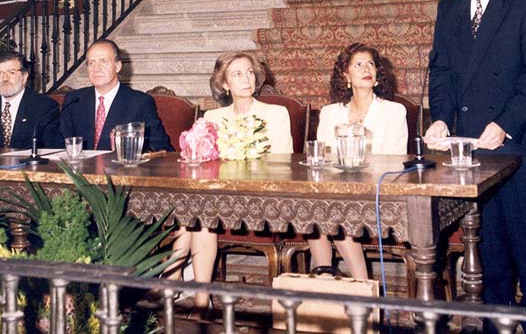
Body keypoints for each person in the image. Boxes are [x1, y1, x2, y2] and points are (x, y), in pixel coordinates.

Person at [424, 0, 526, 334]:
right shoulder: (449, 8)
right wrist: (441, 117)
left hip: (519, 144)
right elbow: (442, 71)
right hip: (473, 147)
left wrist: (506, 124)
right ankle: (495, 322)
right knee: (489, 244)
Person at [166, 52, 292, 314]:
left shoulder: (277, 113)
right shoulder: (213, 118)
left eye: (249, 72)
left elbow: (283, 164)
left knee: (199, 211)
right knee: (201, 212)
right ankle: (202, 299)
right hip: (219, 196)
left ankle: (172, 274)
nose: (246, 78)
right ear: (224, 84)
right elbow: (204, 163)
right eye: (237, 74)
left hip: (262, 194)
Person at [307, 43, 408, 279]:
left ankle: (364, 290)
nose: (367, 69)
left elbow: (395, 162)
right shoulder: (330, 113)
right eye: (358, 64)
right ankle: (325, 283)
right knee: (314, 210)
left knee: (334, 211)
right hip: (338, 191)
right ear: (346, 76)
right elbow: (324, 159)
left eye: (371, 64)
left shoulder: (394, 111)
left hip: (379, 193)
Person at [59, 39, 173, 152]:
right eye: (91, 63)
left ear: (118, 66)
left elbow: (160, 148)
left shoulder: (140, 102)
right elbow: (58, 145)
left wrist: (132, 151)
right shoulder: (74, 100)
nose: (96, 69)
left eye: (104, 62)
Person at [0, 52, 62, 149]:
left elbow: (52, 149)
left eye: (11, 73)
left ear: (24, 76)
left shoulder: (44, 106)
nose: (5, 78)